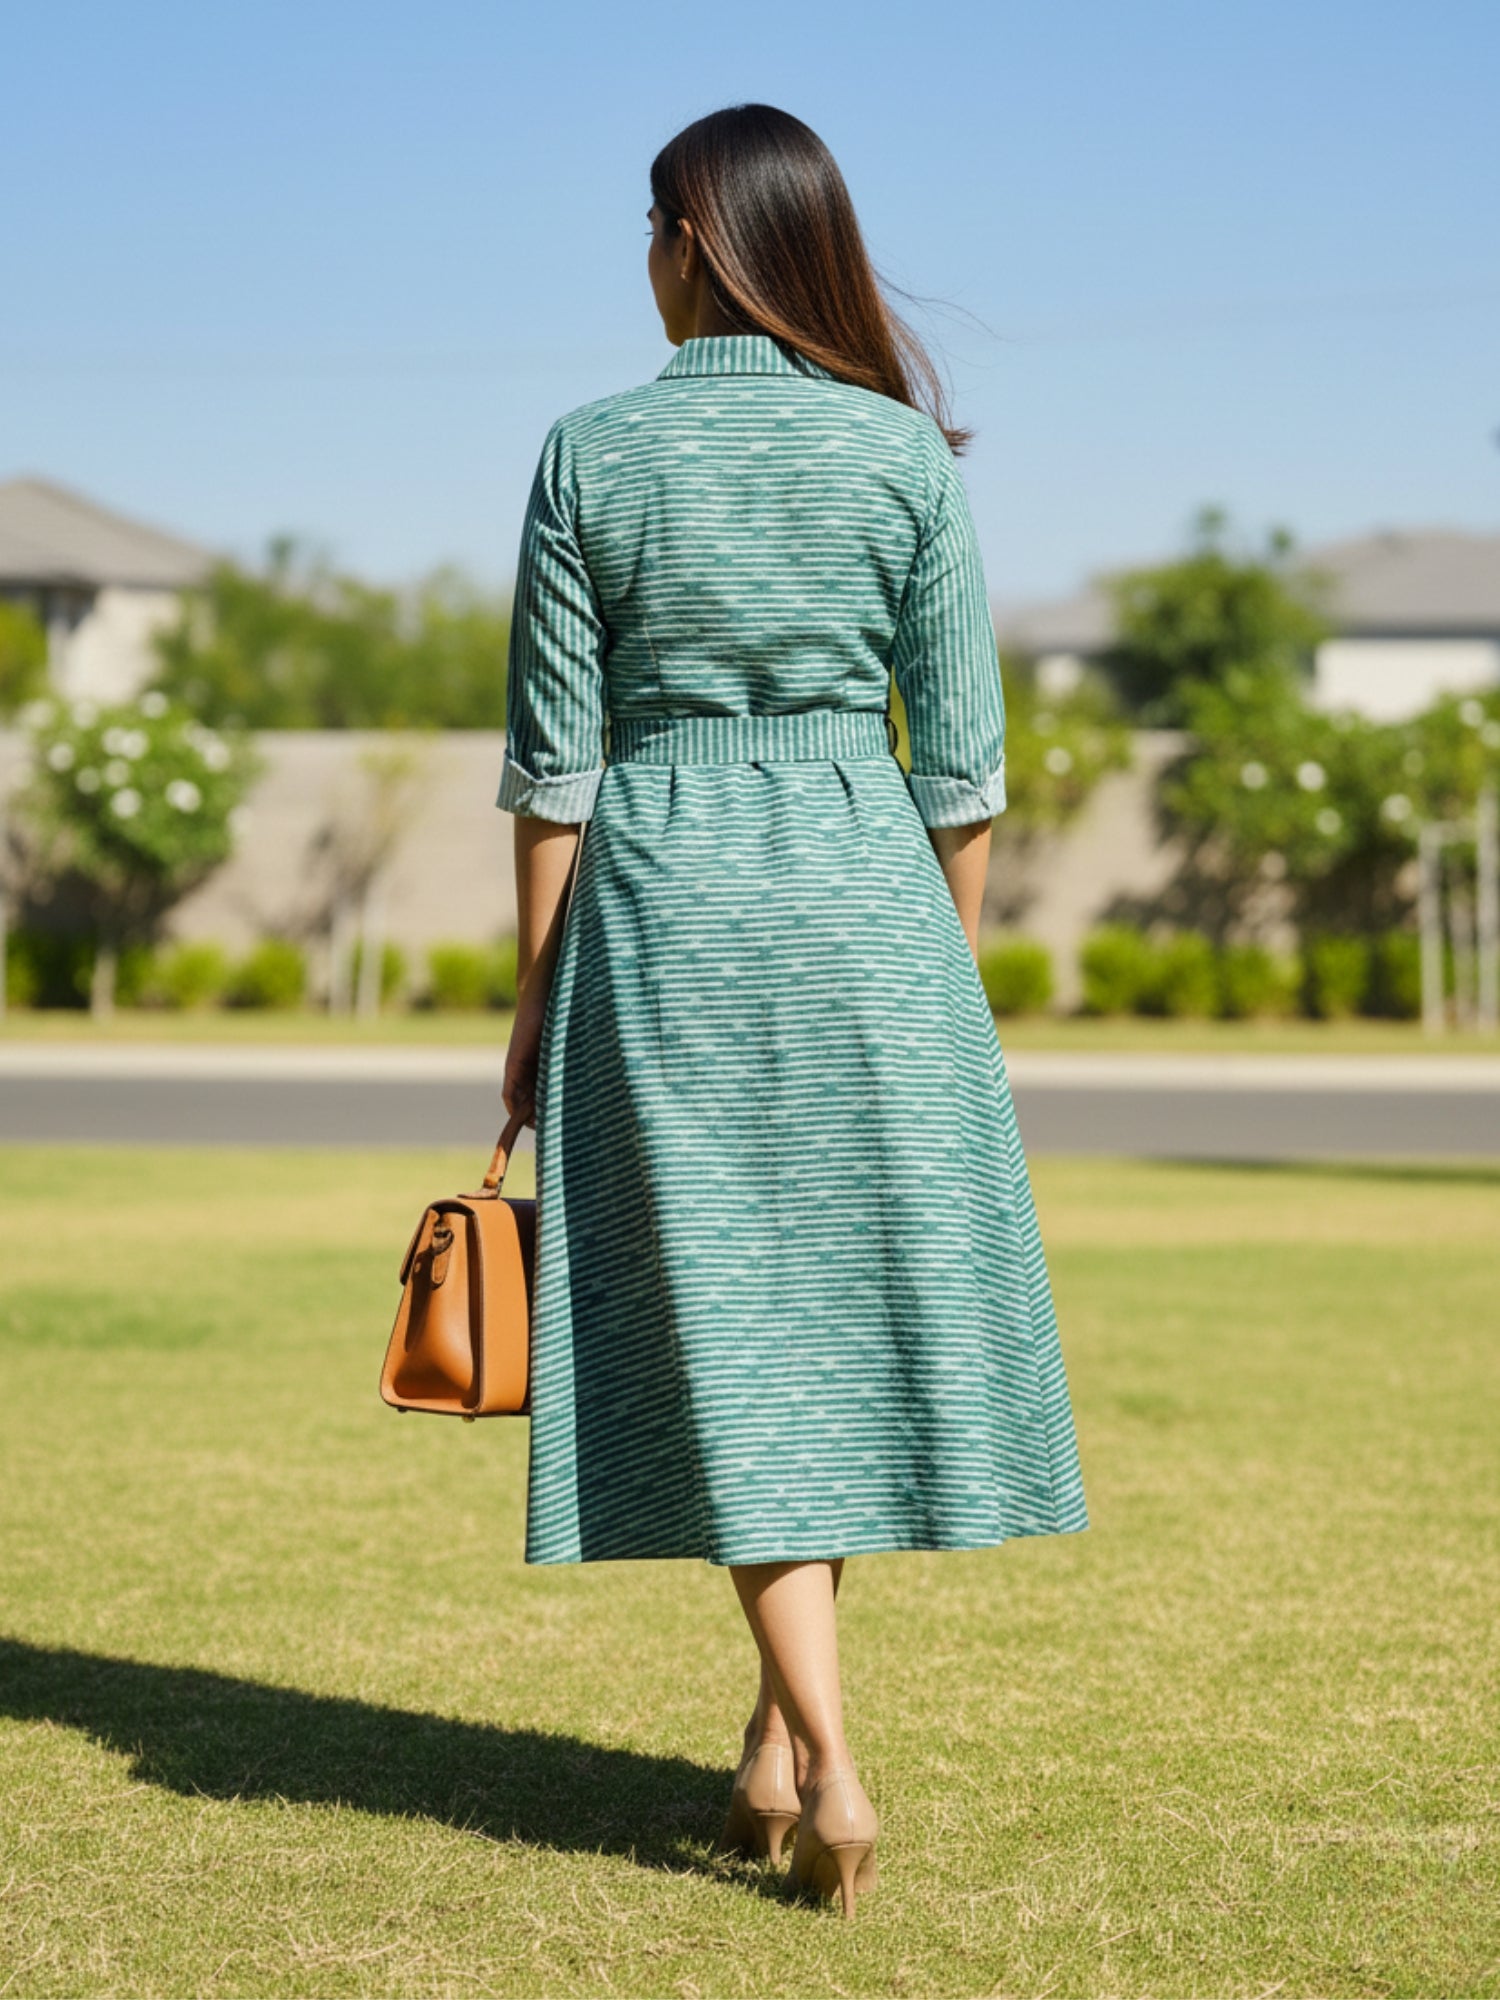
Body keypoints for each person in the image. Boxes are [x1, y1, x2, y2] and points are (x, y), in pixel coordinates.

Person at [497, 103, 1089, 1919]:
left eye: (649, 227)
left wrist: (531, 1013)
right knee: (815, 1320)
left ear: (697, 235)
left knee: (738, 1328)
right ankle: (775, 1736)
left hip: (665, 905)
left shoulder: (592, 450)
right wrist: (943, 973)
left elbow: (550, 770)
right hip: (868, 907)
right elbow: (965, 766)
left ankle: (827, 1762)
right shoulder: (902, 459)